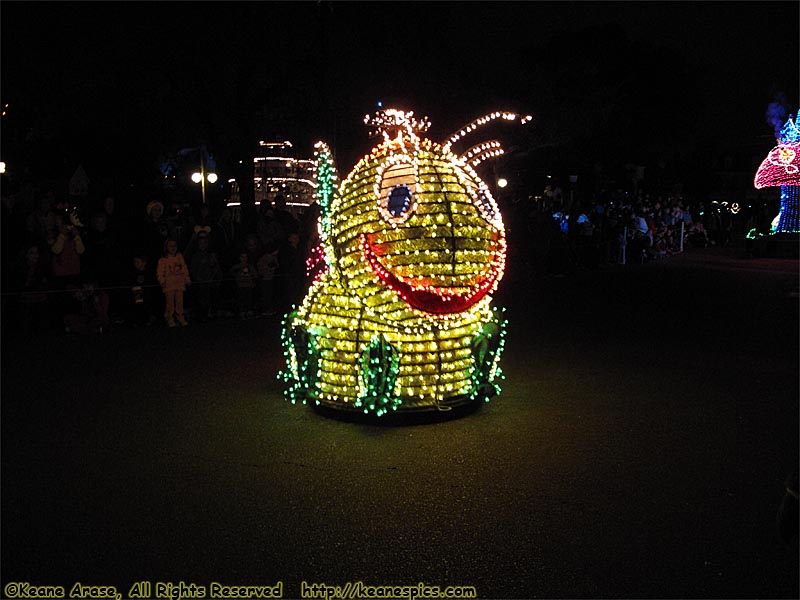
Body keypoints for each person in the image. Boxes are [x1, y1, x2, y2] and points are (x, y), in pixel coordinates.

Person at [186, 229, 223, 322]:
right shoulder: (194, 255)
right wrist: (198, 279)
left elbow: (216, 269)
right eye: (201, 241)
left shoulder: (211, 254)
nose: (203, 244)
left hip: (211, 281)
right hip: (200, 283)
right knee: (202, 296)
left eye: (205, 241)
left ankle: (211, 312)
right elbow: (193, 270)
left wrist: (216, 278)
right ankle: (202, 313)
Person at [157, 238, 191, 327]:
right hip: (169, 285)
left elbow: (184, 268)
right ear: (166, 247)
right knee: (170, 304)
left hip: (179, 284)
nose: (173, 248)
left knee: (180, 302)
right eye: (170, 246)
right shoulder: (163, 259)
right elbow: (160, 271)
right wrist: (162, 280)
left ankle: (180, 317)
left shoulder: (180, 257)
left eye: (174, 246)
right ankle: (169, 318)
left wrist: (187, 279)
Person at [125, 250, 158, 327]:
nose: (135, 264)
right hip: (137, 294)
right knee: (137, 303)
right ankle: (139, 320)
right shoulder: (133, 273)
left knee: (146, 304)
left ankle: (149, 319)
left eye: (138, 262)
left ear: (144, 263)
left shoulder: (148, 273)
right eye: (135, 262)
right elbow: (132, 284)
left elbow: (150, 285)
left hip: (147, 294)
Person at [230, 249, 258, 319]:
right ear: (239, 258)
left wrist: (252, 278)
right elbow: (231, 273)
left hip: (249, 285)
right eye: (242, 257)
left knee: (249, 298)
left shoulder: (250, 266)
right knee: (241, 299)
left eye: (245, 257)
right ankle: (242, 312)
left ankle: (249, 311)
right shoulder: (237, 267)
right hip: (240, 285)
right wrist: (238, 274)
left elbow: (255, 274)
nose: (244, 259)